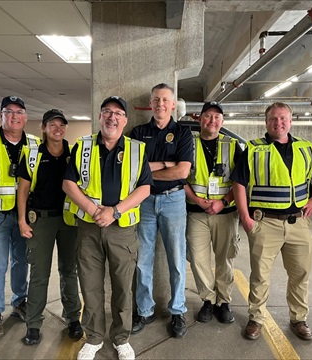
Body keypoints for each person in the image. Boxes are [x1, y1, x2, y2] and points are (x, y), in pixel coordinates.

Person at [63, 96, 152, 360]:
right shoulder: (83, 146)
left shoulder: (137, 149)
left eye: (118, 114)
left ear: (125, 120)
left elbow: (144, 188)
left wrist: (114, 211)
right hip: (88, 227)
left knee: (123, 287)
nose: (112, 117)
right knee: (90, 285)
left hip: (122, 228)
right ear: (100, 117)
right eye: (107, 112)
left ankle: (121, 338)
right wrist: (93, 211)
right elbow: (69, 184)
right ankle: (94, 338)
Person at [231, 101, 312, 341]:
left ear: (291, 121)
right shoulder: (253, 149)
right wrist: (245, 216)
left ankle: (299, 319)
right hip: (265, 223)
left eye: (283, 118)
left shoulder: (306, 148)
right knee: (260, 275)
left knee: (300, 274)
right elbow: (239, 184)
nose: (278, 123)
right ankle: (256, 318)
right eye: (273, 118)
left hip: (300, 223)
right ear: (266, 122)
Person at [130, 83, 193, 338]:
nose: (161, 104)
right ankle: (145, 310)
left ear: (173, 104)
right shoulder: (138, 132)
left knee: (176, 260)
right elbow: (134, 169)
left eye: (165, 100)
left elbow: (183, 171)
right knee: (143, 260)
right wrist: (167, 163)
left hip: (174, 201)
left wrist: (151, 168)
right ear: (151, 103)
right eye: (156, 100)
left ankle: (177, 311)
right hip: (144, 202)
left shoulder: (183, 133)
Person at [16, 109, 82, 345]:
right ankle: (33, 324)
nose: (57, 128)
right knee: (39, 274)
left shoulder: (74, 153)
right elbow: (22, 190)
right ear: (43, 128)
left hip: (68, 221)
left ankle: (74, 318)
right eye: (52, 124)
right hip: (40, 221)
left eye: (61, 125)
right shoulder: (32, 154)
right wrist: (22, 220)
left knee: (69, 271)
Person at [0, 96, 41, 337]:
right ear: (1, 115)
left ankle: (19, 302)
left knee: (21, 261)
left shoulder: (37, 144)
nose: (14, 116)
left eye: (19, 112)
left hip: (25, 215)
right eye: (9, 111)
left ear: (26, 117)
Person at [184, 102, 242, 324]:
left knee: (225, 259)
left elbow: (240, 181)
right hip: (196, 213)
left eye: (217, 117)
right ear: (200, 119)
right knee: (199, 260)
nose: (212, 121)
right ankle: (208, 300)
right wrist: (197, 199)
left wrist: (224, 201)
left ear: (222, 122)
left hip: (225, 213)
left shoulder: (233, 145)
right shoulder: (188, 144)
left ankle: (224, 302)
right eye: (208, 116)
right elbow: (182, 177)